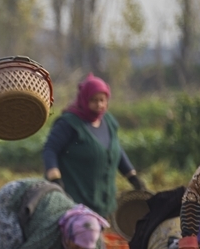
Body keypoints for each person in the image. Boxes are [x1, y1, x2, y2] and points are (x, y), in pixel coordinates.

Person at [42, 73, 146, 218]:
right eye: (93, 100)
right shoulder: (69, 123)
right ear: (84, 99)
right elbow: (50, 149)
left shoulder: (108, 121)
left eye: (102, 100)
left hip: (102, 200)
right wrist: (55, 179)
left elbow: (116, 149)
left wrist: (132, 177)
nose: (99, 105)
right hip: (74, 201)